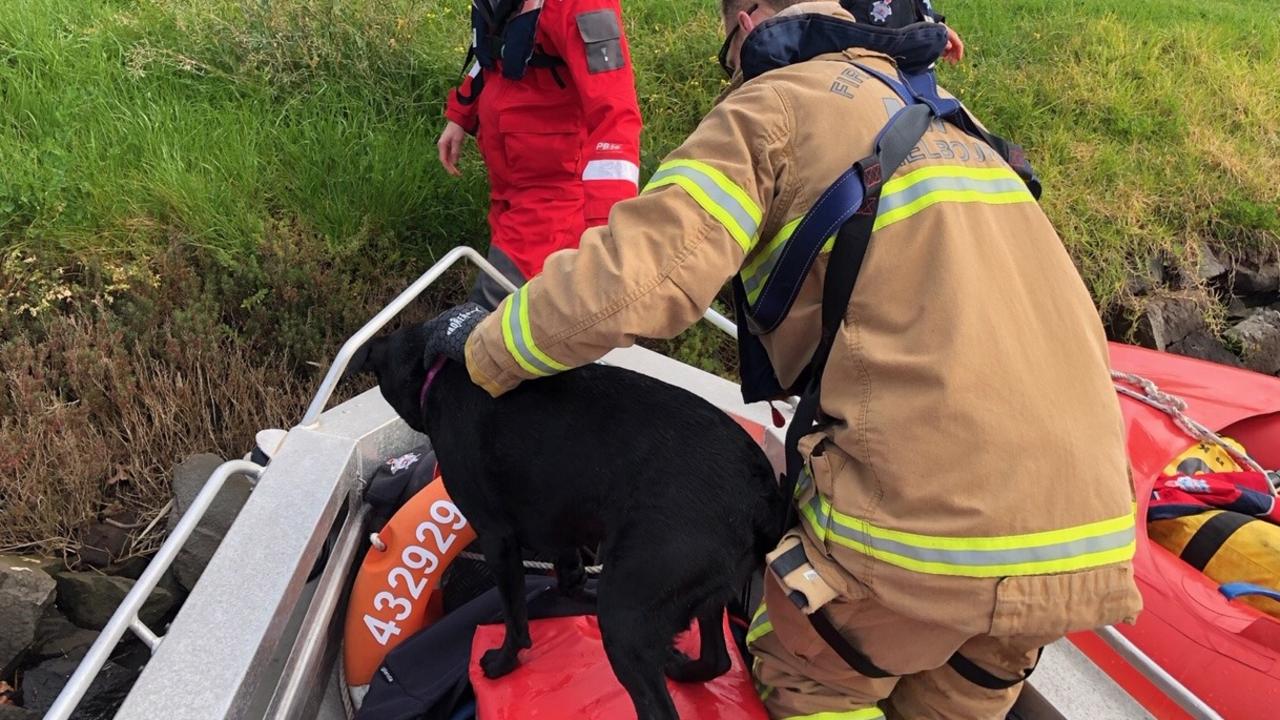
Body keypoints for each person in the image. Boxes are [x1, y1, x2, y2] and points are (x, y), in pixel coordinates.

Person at [423, 1, 1143, 717]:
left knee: (808, 672)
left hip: (926, 534)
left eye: (724, 49)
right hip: (1088, 540)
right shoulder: (953, 115)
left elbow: (635, 277)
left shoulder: (772, 107)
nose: (731, 66)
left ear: (749, 21)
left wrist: (483, 349)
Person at [437, 0, 643, 309]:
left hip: (555, 200)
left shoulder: (583, 6)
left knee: (489, 311)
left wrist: (606, 230)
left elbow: (615, 113)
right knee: (506, 307)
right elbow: (492, 53)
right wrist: (461, 114)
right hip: (510, 186)